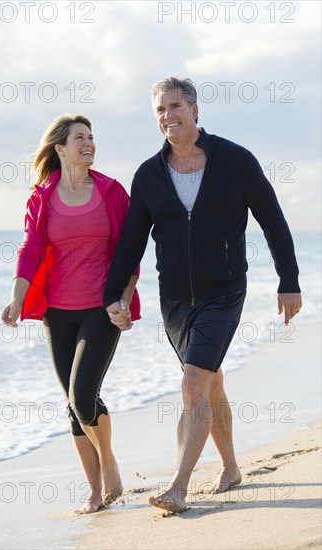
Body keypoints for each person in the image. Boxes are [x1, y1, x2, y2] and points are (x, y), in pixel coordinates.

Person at [103, 77, 302, 513]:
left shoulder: (235, 161)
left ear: (195, 109)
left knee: (193, 382)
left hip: (225, 291)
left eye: (175, 106)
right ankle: (231, 468)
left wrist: (289, 281)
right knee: (210, 381)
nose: (168, 115)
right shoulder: (149, 175)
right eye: (159, 109)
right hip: (174, 300)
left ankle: (178, 485)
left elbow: (273, 220)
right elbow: (132, 243)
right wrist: (111, 295)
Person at [0, 114, 140, 514]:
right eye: (80, 137)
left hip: (102, 307)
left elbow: (129, 250)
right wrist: (16, 298)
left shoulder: (112, 192)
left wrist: (124, 299)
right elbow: (29, 250)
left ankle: (109, 463)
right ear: (60, 148)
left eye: (92, 137)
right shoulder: (41, 197)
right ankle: (95, 493)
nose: (89, 143)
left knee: (82, 396)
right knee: (73, 404)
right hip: (57, 312)